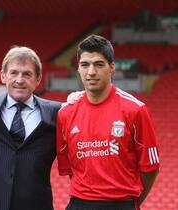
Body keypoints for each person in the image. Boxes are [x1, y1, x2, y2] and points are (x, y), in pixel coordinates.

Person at [56, 34, 159, 210]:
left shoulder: (135, 110)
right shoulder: (65, 113)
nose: (91, 72)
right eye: (84, 65)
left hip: (121, 203)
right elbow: (70, 170)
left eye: (98, 64)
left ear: (112, 67)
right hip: (79, 203)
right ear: (78, 69)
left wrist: (130, 204)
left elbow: (151, 169)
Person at [0, 46, 61, 210]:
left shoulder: (55, 112)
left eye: (27, 74)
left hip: (35, 204)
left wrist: (79, 97)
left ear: (38, 79)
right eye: (14, 73)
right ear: (3, 76)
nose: (20, 80)